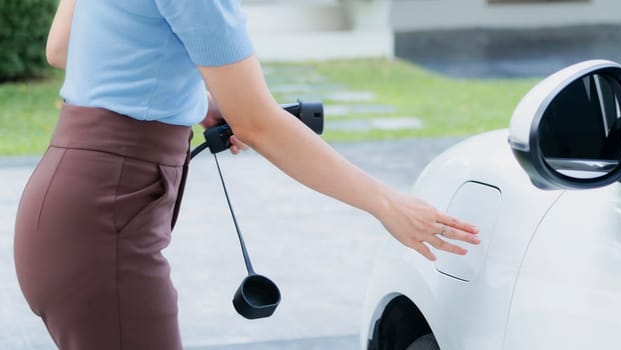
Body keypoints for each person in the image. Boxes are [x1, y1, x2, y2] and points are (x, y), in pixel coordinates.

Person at [14, 0, 480, 349]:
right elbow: (257, 123)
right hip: (102, 230)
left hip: (63, 206)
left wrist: (198, 104)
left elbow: (62, 47)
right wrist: (387, 204)